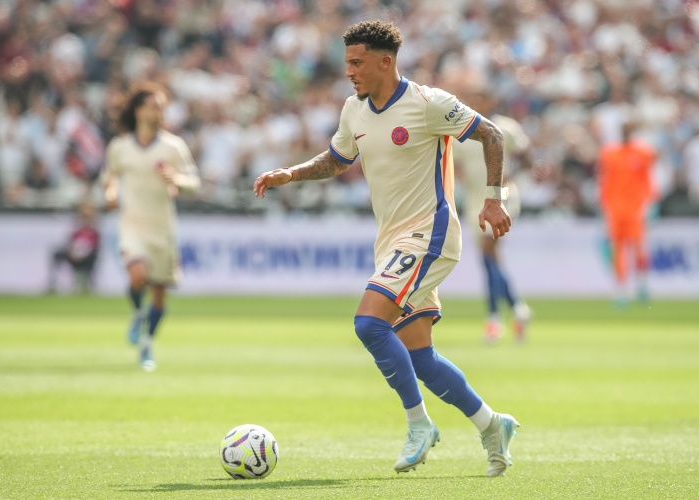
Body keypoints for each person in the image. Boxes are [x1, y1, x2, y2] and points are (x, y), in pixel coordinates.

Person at [254, 21, 519, 477]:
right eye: (347, 63)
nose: (349, 72)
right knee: (420, 357)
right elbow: (337, 159)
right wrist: (291, 174)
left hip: (431, 233)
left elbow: (492, 134)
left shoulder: (428, 104)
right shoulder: (353, 110)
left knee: (369, 324)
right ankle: (492, 424)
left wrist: (493, 198)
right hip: (392, 241)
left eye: (357, 63)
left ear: (384, 61)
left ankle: (419, 424)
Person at [101, 82, 200, 371]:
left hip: (162, 228)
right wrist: (110, 194)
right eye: (154, 106)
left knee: (159, 294)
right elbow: (109, 178)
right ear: (138, 110)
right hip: (133, 224)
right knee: (137, 274)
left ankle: (147, 343)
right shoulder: (120, 147)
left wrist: (176, 180)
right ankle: (137, 313)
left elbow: (193, 183)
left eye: (162, 107)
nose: (159, 112)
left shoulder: (173, 146)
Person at [451, 86, 533, 343]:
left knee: (489, 250)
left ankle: (494, 318)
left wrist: (510, 176)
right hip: (475, 198)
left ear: (490, 101)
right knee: (489, 259)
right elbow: (455, 164)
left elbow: (527, 156)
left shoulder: (506, 127)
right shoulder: (462, 132)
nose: (476, 103)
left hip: (502, 195)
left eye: (480, 99)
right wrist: (462, 179)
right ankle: (517, 308)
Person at [598, 121, 657, 307]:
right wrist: (604, 206)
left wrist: (649, 203)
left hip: (635, 208)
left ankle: (642, 284)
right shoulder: (610, 154)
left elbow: (647, 180)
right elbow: (605, 181)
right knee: (617, 250)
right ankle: (621, 289)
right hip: (616, 209)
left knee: (639, 248)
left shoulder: (643, 153)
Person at [47, 201, 100, 294]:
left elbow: (93, 246)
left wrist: (82, 255)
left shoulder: (94, 232)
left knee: (93, 257)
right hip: (73, 254)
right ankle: (53, 283)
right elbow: (70, 243)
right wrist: (71, 252)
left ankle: (86, 285)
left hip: (87, 257)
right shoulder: (76, 230)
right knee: (57, 253)